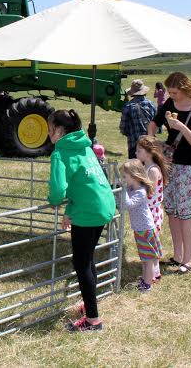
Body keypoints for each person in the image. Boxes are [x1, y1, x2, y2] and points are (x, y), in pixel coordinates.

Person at [46, 109, 115, 332]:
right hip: (103, 204)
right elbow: (85, 183)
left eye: (49, 130)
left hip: (88, 212)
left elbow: (57, 191)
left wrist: (56, 201)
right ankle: (89, 305)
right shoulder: (84, 145)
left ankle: (93, 321)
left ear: (58, 130)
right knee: (88, 259)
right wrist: (71, 207)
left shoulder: (60, 152)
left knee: (81, 263)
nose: (49, 135)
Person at [147, 72, 191, 276]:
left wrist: (181, 127)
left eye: (174, 92)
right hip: (169, 166)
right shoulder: (168, 104)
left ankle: (188, 261)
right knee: (173, 215)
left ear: (184, 89)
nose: (171, 95)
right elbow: (153, 123)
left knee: (186, 218)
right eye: (169, 92)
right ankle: (177, 256)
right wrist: (151, 142)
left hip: (188, 168)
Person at [120, 159, 162, 293]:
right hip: (140, 228)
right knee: (144, 257)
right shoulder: (132, 188)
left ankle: (147, 284)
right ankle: (145, 279)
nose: (123, 179)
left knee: (148, 258)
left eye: (124, 177)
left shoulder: (140, 192)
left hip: (146, 229)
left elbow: (128, 204)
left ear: (134, 176)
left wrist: (122, 190)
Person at [136, 135, 167, 282]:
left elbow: (150, 191)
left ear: (149, 153)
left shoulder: (153, 170)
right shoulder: (146, 167)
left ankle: (153, 273)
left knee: (151, 241)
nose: (136, 153)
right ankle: (154, 272)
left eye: (139, 150)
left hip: (152, 211)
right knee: (149, 241)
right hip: (147, 209)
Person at [119, 79, 156, 159]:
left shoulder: (128, 106)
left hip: (134, 145)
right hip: (150, 144)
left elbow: (123, 128)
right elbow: (157, 127)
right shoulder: (151, 105)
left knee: (135, 169)